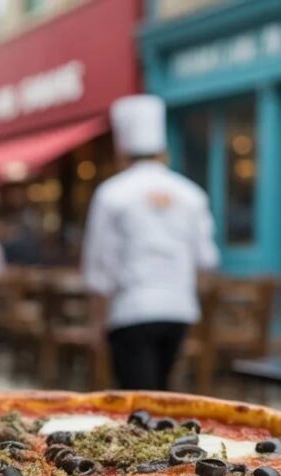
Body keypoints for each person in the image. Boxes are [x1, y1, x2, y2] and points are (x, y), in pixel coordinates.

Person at [82, 95, 219, 391]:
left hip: (130, 309)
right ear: (163, 152)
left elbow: (100, 265)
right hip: (179, 308)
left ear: (121, 152)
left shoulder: (111, 193)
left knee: (137, 397)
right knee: (163, 391)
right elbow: (206, 260)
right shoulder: (191, 193)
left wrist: (96, 323)